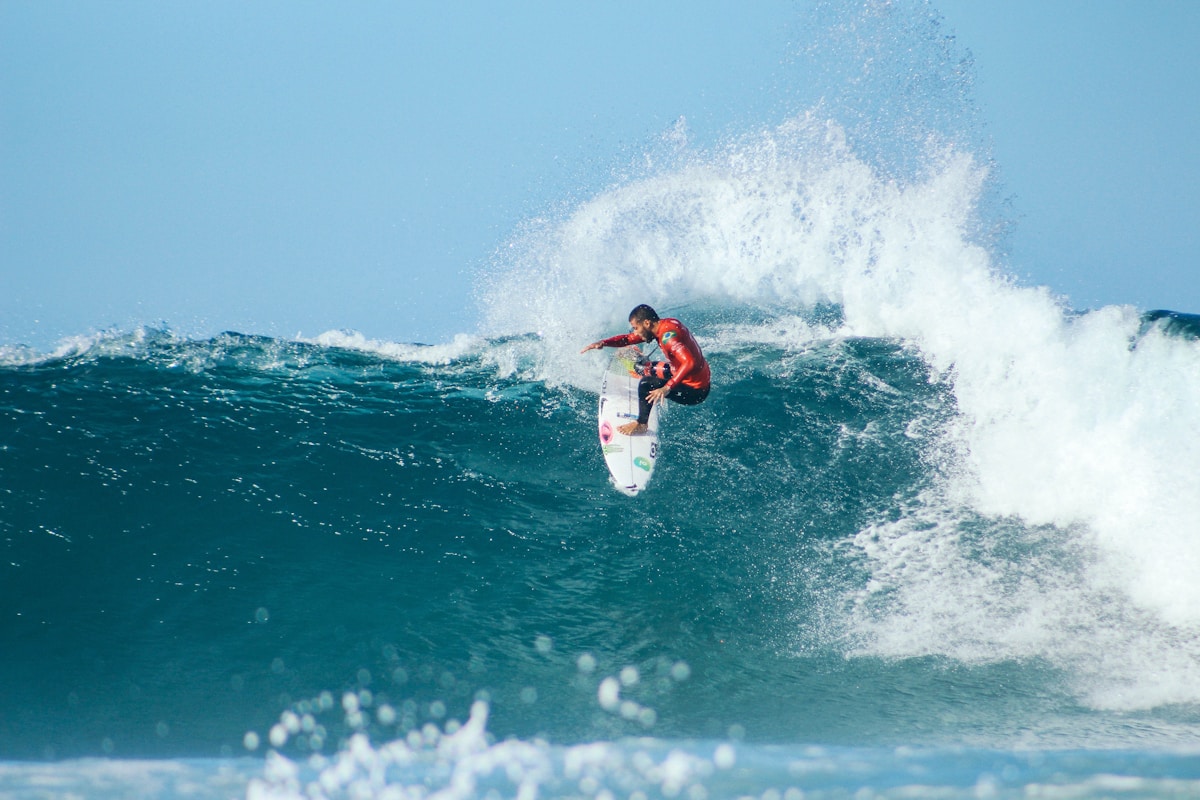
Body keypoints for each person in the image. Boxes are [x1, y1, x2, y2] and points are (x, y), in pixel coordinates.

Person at [581, 304, 711, 435]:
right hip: (685, 373)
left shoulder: (668, 338)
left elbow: (689, 362)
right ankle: (645, 372)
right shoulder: (664, 325)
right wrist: (604, 343)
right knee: (642, 368)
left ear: (647, 323)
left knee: (646, 384)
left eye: (636, 328)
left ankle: (641, 424)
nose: (635, 332)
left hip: (695, 391)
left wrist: (667, 387)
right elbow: (628, 339)